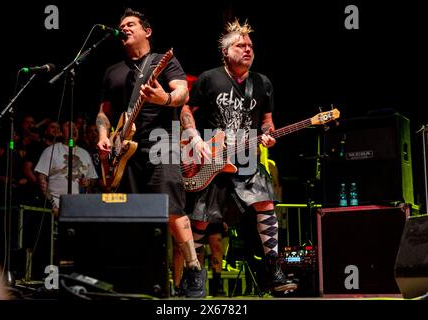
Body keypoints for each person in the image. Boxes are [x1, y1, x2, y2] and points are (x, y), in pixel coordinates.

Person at [180, 19, 297, 295]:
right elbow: (187, 110)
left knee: (266, 204)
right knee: (200, 219)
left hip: (246, 158)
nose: (248, 49)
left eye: (250, 46)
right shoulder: (209, 78)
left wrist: (269, 135)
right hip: (212, 159)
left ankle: (272, 269)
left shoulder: (262, 83)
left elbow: (267, 122)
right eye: (241, 45)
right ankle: (192, 273)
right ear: (226, 51)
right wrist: (194, 138)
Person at [96, 8, 206, 298]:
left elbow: (181, 92)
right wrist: (104, 136)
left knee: (171, 208)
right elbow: (104, 113)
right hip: (124, 152)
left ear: (147, 31)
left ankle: (194, 270)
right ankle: (141, 274)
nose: (124, 29)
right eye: (121, 26)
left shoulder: (163, 62)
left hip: (162, 143)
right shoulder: (113, 72)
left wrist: (164, 98)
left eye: (130, 24)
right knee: (131, 213)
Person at [35, 121, 98, 215]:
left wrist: (88, 182)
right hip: (56, 206)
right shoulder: (51, 150)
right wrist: (52, 205)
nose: (74, 128)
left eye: (75, 126)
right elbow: (41, 179)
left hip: (80, 207)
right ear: (60, 132)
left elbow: (93, 179)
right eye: (69, 126)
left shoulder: (85, 153)